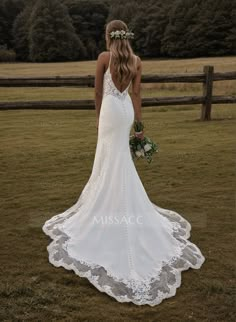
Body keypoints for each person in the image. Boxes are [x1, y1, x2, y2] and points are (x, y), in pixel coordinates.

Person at [42, 19, 205, 306]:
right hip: (125, 112)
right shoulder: (137, 61)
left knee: (108, 160)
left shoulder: (104, 58)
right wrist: (139, 126)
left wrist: (97, 119)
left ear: (108, 36)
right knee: (120, 162)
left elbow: (96, 92)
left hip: (108, 113)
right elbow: (136, 93)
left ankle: (108, 208)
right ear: (127, 37)